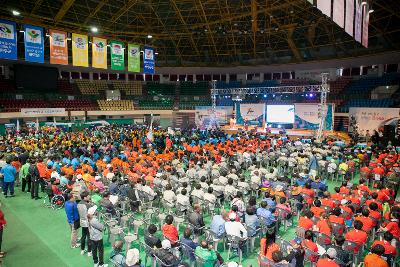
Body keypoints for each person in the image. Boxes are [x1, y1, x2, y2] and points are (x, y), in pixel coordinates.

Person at [77, 191, 92, 256]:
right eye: (88, 196)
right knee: (89, 237)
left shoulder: (78, 203)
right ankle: (89, 252)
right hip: (88, 222)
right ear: (85, 197)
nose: (89, 197)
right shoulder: (88, 205)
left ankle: (82, 250)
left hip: (82, 222)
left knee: (83, 236)